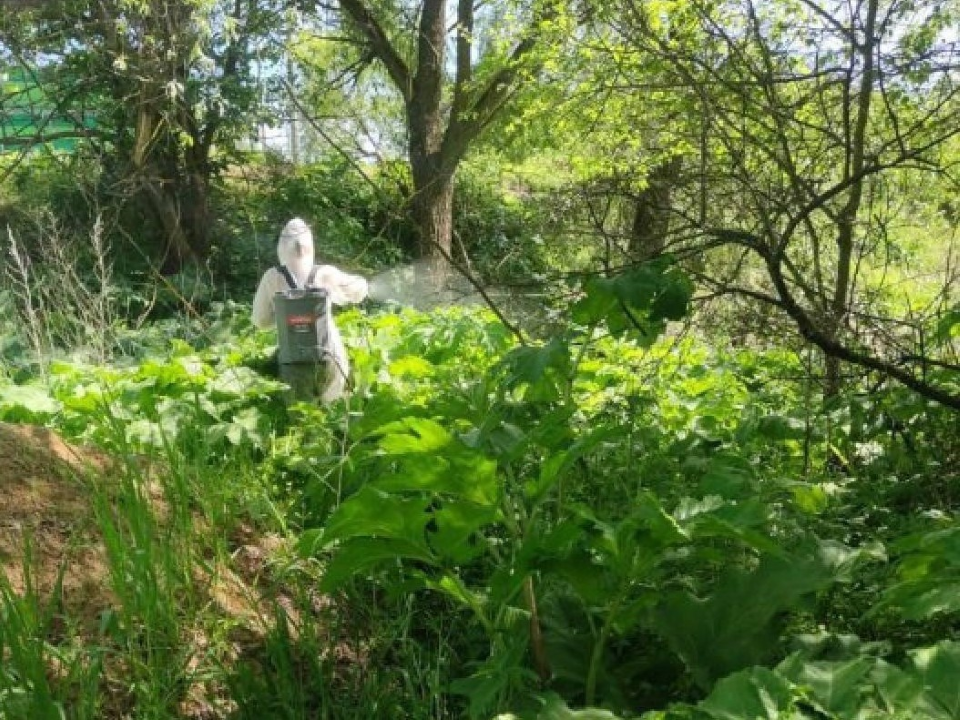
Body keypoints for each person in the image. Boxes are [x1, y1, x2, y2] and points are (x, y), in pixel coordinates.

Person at [252, 218, 368, 402]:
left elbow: (260, 321)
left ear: (281, 247)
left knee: (301, 420)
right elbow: (357, 292)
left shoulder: (272, 277)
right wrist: (363, 284)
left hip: (293, 362)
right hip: (330, 357)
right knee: (330, 416)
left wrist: (286, 316)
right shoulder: (325, 273)